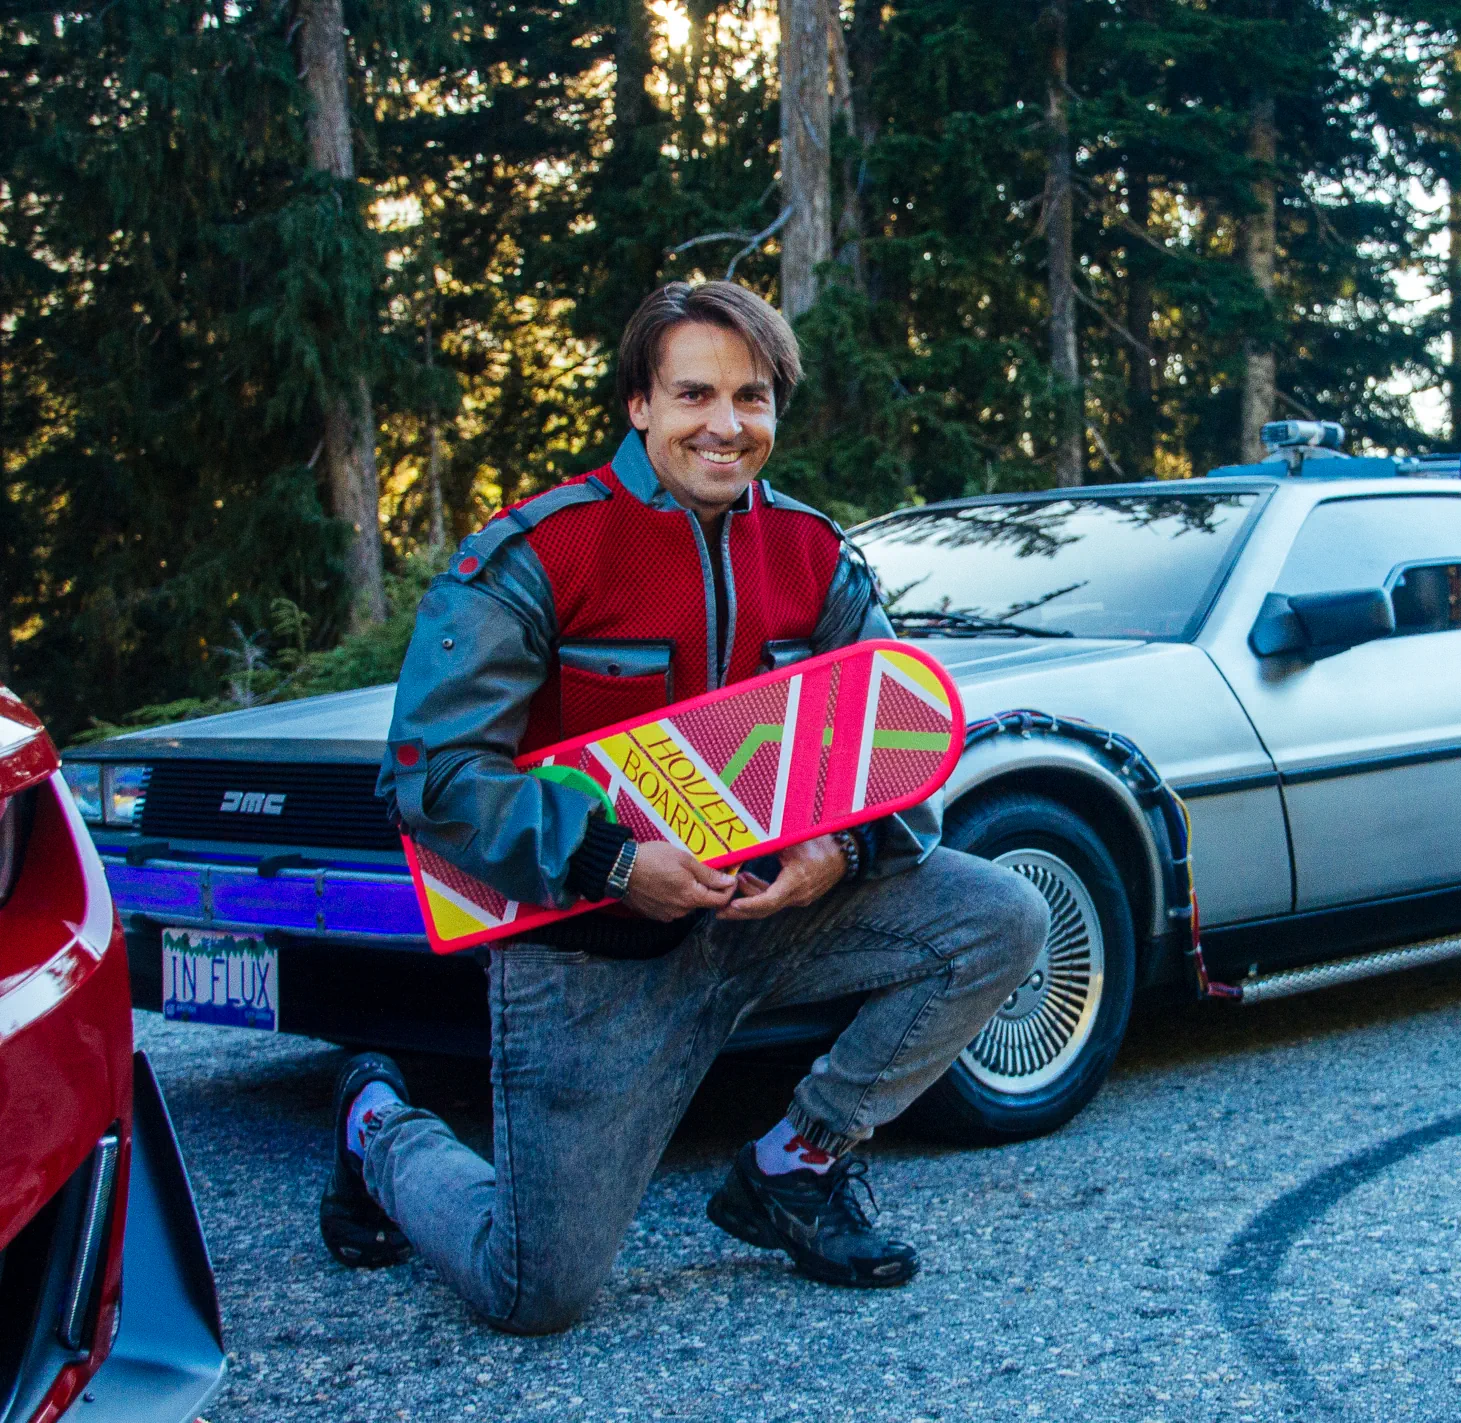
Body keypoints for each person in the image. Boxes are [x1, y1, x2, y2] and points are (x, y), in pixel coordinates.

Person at [319, 281, 1049, 1334]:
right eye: (694, 393)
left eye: (751, 397)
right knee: (536, 1293)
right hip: (594, 957)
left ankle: (793, 1166)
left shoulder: (815, 555)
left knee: (1000, 914)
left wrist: (842, 850)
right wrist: (614, 863)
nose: (726, 424)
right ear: (639, 405)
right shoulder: (535, 557)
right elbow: (431, 780)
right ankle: (375, 1124)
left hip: (773, 919)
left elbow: (901, 753)